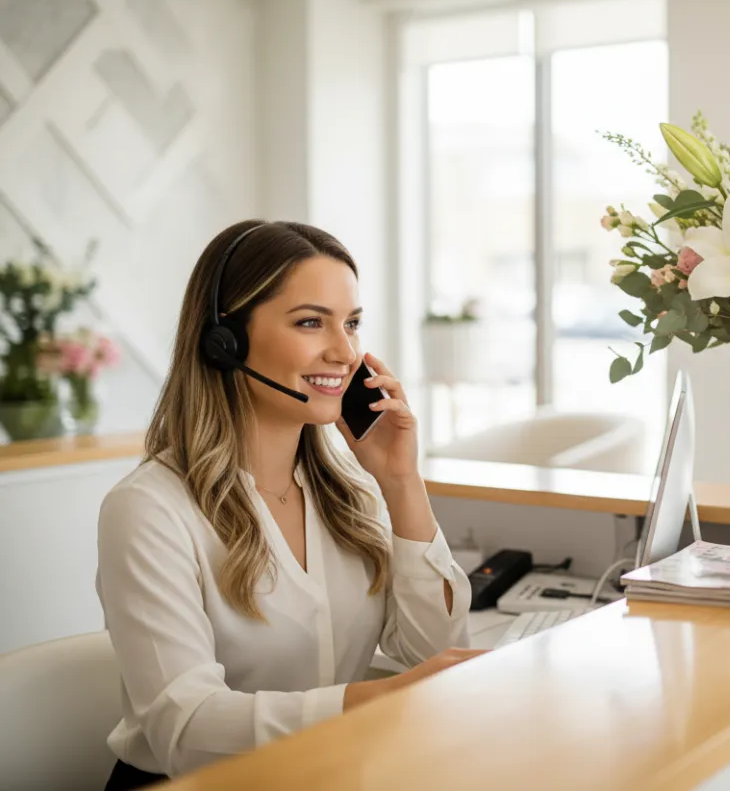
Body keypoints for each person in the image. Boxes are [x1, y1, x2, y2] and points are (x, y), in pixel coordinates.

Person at [97, 221, 482, 790]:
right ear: (224, 341)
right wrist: (375, 699)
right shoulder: (149, 509)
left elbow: (435, 654)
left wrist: (400, 481)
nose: (345, 352)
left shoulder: (350, 493)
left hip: (328, 773)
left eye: (351, 324)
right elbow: (185, 729)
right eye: (310, 322)